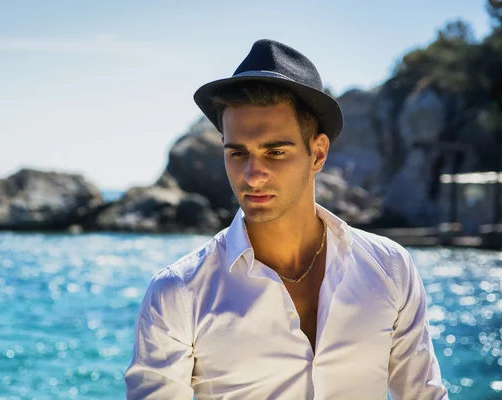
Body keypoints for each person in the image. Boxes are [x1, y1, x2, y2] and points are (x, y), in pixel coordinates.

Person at [124, 39, 448, 399]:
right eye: (238, 153)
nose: (252, 175)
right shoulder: (178, 293)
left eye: (275, 152)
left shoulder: (390, 268)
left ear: (318, 153)